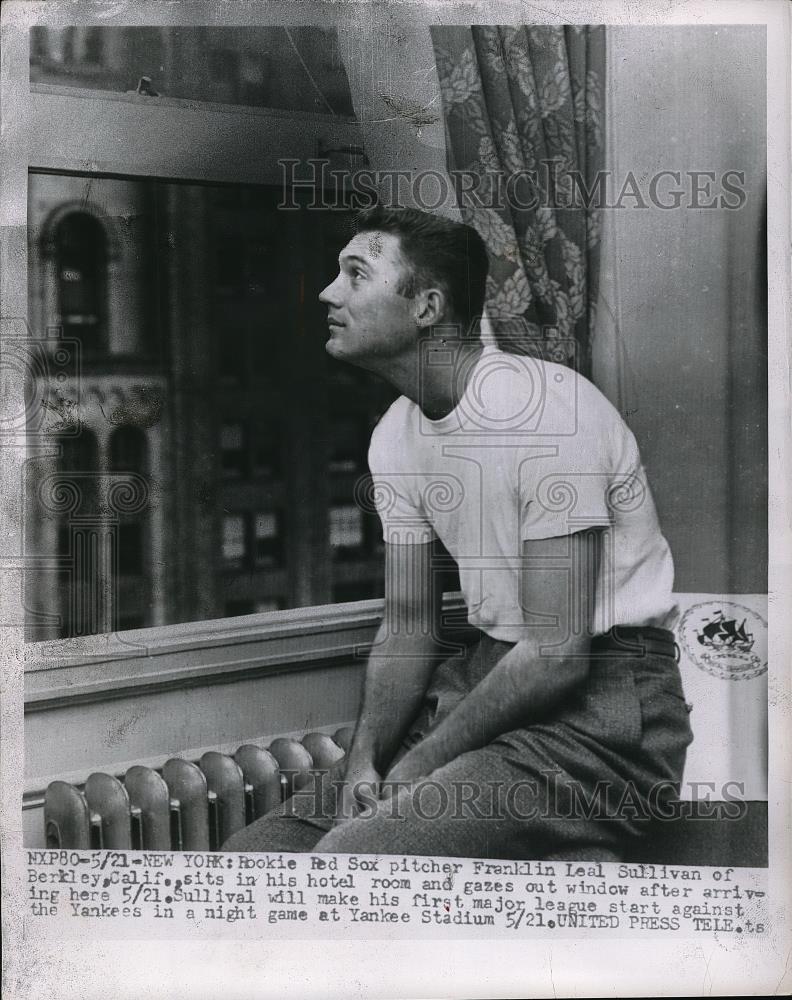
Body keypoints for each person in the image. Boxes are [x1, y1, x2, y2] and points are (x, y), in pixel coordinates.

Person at [222, 206, 693, 860]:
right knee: (247, 862)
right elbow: (410, 624)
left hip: (602, 717)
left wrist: (420, 768)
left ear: (427, 307)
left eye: (355, 275)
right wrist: (365, 760)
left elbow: (557, 654)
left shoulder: (546, 414)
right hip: (486, 680)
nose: (329, 293)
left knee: (348, 866)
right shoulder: (397, 435)